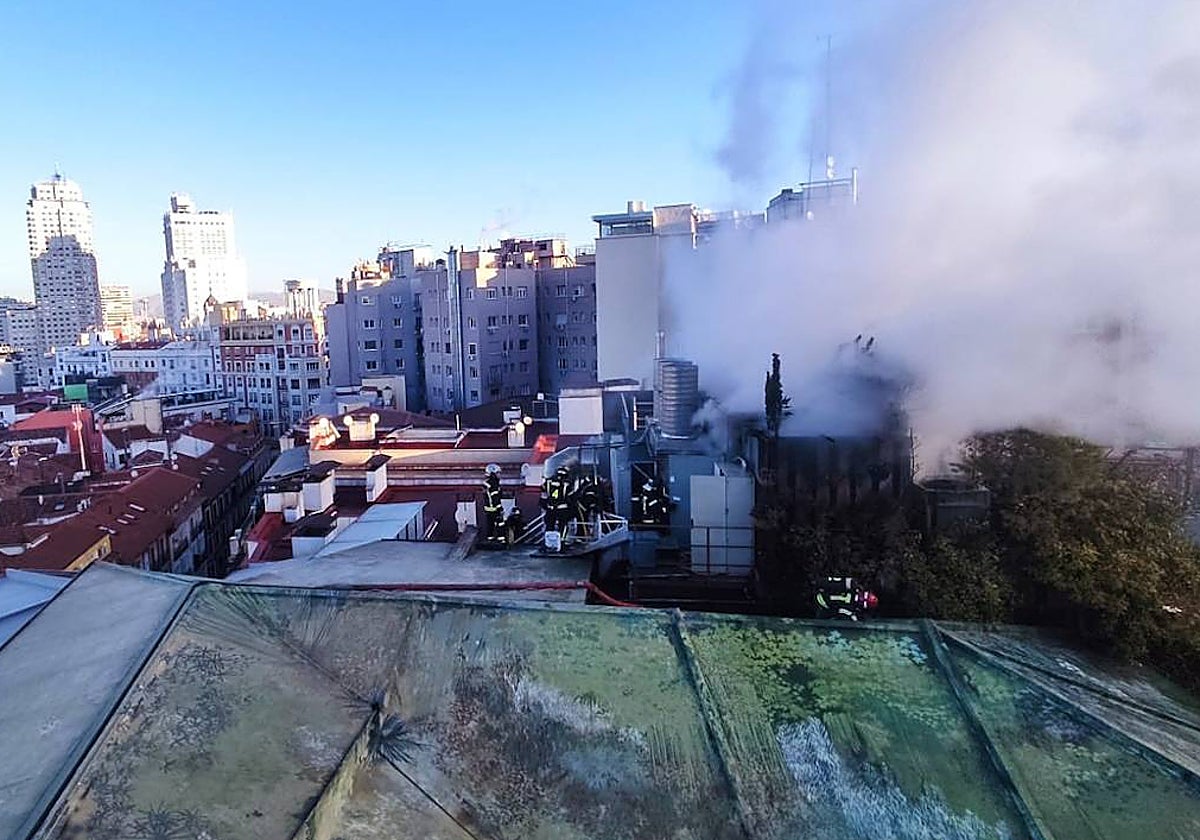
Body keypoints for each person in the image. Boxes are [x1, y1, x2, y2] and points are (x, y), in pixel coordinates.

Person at [815, 576, 879, 621]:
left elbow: (826, 581)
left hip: (820, 600)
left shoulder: (851, 584)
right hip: (821, 605)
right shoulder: (853, 612)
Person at [482, 468, 504, 543]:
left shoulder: (486, 483)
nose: (500, 475)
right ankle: (501, 540)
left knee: (490, 524)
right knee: (500, 523)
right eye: (498, 473)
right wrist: (500, 508)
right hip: (494, 508)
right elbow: (495, 497)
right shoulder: (494, 484)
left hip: (488, 508)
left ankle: (490, 539)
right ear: (493, 474)